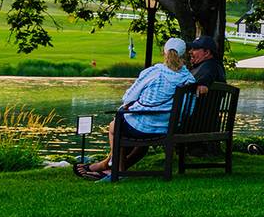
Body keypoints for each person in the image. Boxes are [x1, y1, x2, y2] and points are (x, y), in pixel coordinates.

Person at [75, 37, 196, 181]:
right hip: (167, 128)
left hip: (141, 128)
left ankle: (117, 171)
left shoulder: (154, 72)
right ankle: (107, 167)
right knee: (135, 140)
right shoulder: (189, 79)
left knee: (115, 126)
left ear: (165, 52)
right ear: (184, 55)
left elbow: (128, 97)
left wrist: (130, 105)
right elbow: (188, 110)